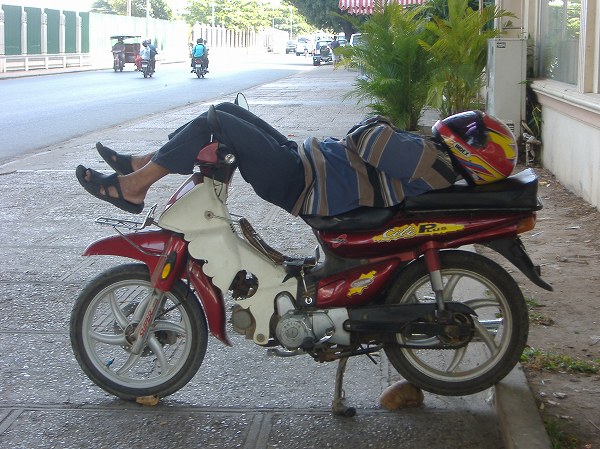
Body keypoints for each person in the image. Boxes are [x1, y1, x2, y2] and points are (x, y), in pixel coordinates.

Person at [76, 105, 517, 216]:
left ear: (473, 152)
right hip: (306, 164)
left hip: (301, 181)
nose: (461, 126)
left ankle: (135, 186)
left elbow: (364, 136)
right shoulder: (436, 161)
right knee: (228, 111)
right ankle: (141, 163)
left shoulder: (430, 161)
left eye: (472, 132)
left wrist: (379, 120)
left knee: (219, 120)